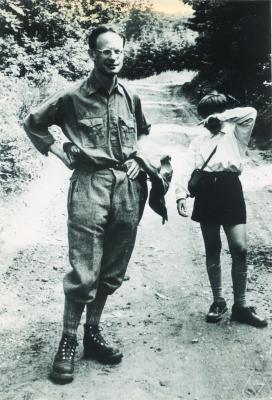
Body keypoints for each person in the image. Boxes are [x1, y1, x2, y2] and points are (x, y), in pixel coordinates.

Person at [23, 26, 166, 383]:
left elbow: (144, 131)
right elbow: (34, 122)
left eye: (118, 51)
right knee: (84, 270)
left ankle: (93, 332)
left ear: (123, 53)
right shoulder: (72, 96)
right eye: (106, 52)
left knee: (112, 270)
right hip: (90, 183)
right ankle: (68, 341)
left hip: (129, 187)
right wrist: (58, 151)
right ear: (93, 54)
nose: (113, 57)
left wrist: (139, 158)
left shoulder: (131, 95)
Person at [175, 91, 268, 328]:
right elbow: (187, 168)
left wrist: (222, 116)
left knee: (240, 248)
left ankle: (241, 305)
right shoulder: (199, 141)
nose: (210, 120)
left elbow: (250, 112)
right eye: (206, 116)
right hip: (206, 190)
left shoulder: (237, 134)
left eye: (212, 115)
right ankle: (218, 301)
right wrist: (180, 196)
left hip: (229, 189)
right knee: (212, 248)